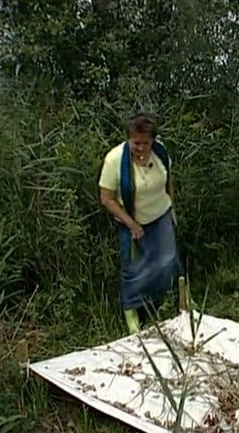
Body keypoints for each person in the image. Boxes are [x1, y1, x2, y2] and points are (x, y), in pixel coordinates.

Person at [98, 112, 180, 334]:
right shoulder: (114, 160)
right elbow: (106, 198)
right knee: (134, 267)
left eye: (146, 143)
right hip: (133, 220)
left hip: (160, 214)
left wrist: (172, 208)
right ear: (128, 139)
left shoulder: (161, 152)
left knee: (166, 261)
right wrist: (130, 223)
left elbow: (168, 180)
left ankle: (156, 303)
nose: (141, 148)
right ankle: (131, 310)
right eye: (136, 143)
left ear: (153, 140)